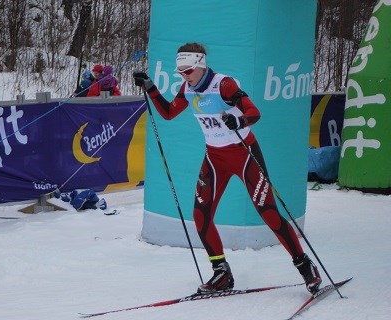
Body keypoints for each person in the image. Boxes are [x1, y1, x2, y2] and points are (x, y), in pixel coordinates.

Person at [132, 42, 322, 294]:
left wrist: (238, 120)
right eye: (181, 72)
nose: (185, 76)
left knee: (268, 212)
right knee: (201, 215)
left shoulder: (223, 85)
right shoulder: (187, 88)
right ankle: (221, 273)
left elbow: (255, 113)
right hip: (214, 158)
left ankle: (305, 265)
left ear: (200, 64)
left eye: (188, 70)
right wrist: (151, 88)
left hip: (244, 154)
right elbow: (168, 113)